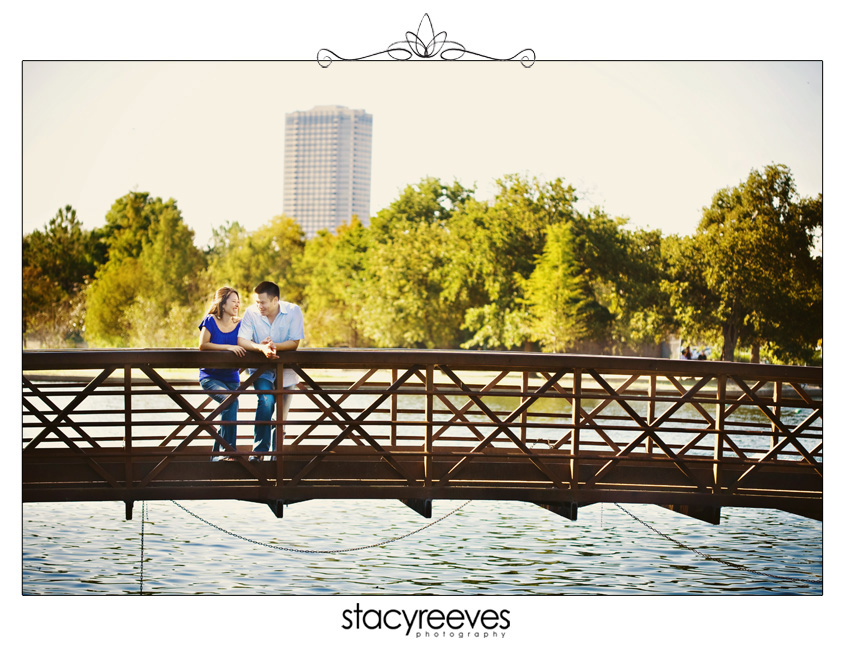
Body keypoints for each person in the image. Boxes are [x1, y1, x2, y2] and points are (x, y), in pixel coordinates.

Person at [237, 281, 305, 462]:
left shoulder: (293, 311)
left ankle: (277, 457)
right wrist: (261, 348)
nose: (259, 306)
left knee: (281, 416)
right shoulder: (251, 313)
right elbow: (242, 340)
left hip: (288, 371)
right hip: (261, 370)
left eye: (263, 302)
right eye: (257, 302)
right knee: (266, 401)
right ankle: (259, 453)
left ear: (275, 300)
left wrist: (274, 346)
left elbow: (295, 342)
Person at [198, 287, 246, 461]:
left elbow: (248, 344)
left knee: (228, 410)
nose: (237, 304)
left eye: (238, 301)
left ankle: (216, 457)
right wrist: (228, 347)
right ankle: (229, 452)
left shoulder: (240, 324)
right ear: (223, 303)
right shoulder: (210, 320)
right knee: (229, 401)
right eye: (233, 301)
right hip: (210, 377)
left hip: (232, 378)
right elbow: (203, 345)